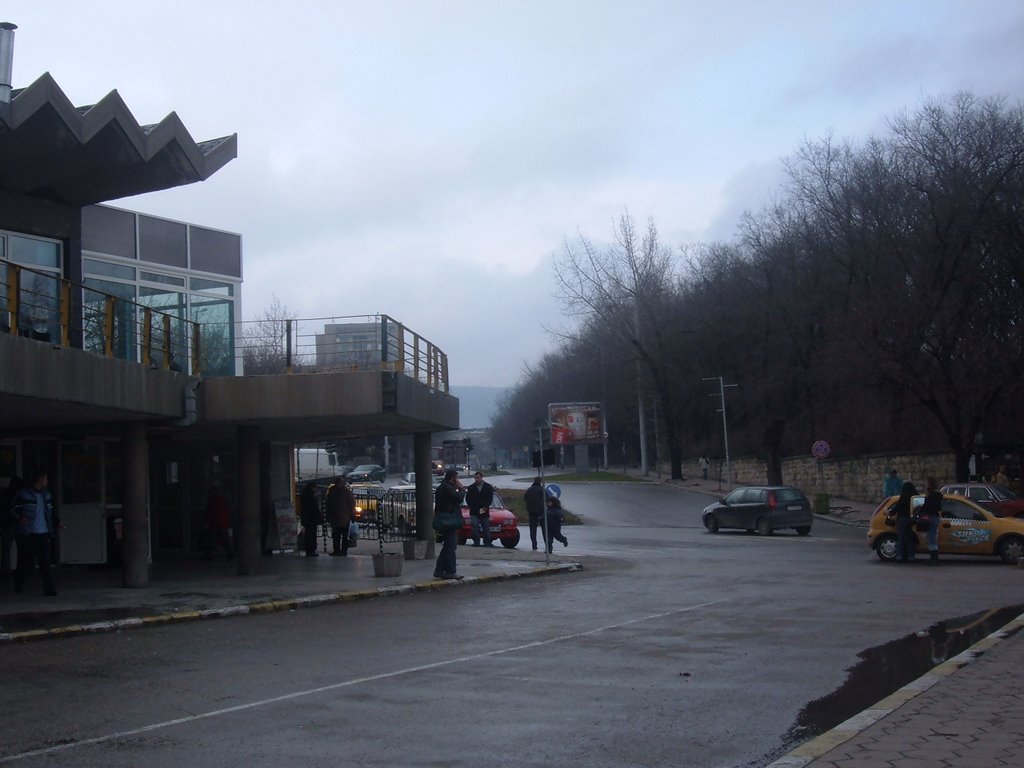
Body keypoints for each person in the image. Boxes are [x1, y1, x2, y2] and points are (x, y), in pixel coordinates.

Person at [12, 471, 59, 596]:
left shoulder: (47, 495)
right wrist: (19, 518)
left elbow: (51, 511)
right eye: (45, 479)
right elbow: (13, 508)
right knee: (24, 561)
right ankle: (19, 582)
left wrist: (57, 522)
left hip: (43, 533)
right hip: (28, 533)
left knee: (45, 562)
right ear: (40, 479)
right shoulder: (24, 494)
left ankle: (49, 588)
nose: (47, 481)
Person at [433, 469, 465, 580]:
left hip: (444, 519)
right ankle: (451, 571)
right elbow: (459, 498)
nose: (457, 480)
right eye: (456, 478)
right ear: (453, 478)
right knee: (451, 546)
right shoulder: (448, 488)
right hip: (449, 520)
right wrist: (461, 488)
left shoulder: (441, 487)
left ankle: (439, 570)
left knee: (447, 546)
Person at [325, 475, 356, 556]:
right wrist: (352, 515)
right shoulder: (345, 491)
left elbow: (328, 503)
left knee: (338, 536)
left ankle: (339, 551)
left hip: (339, 517)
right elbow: (352, 503)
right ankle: (341, 551)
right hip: (342, 517)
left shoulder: (333, 491)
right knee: (341, 536)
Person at [203, 485, 234, 560]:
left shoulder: (213, 500)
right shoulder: (222, 500)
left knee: (211, 539)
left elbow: (211, 512)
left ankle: (208, 555)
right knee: (225, 539)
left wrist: (208, 522)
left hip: (215, 523)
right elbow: (226, 511)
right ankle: (230, 553)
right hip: (222, 523)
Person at [465, 471, 495, 547]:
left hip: (484, 510)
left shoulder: (488, 487)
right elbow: (468, 498)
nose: (476, 479)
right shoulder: (471, 487)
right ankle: (476, 541)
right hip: (474, 510)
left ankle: (487, 542)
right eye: (475, 478)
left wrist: (486, 506)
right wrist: (471, 505)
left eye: (478, 478)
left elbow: (490, 498)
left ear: (481, 477)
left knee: (486, 526)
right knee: (474, 525)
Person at [917, 477, 943, 565]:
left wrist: (922, 508)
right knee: (931, 536)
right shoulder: (937, 495)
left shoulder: (931, 495)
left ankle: (934, 558)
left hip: (931, 517)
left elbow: (928, 506)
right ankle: (933, 557)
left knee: (931, 537)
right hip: (935, 516)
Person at [1, 475, 23, 574]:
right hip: (17, 523)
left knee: (6, 549)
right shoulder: (20, 494)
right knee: (21, 548)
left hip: (7, 523)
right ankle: (21, 569)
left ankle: (5, 569)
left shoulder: (5, 494)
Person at [892, 480, 918, 563]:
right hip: (911, 519)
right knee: (910, 538)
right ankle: (911, 556)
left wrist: (891, 512)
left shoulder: (903, 497)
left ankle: (899, 556)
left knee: (901, 538)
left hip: (902, 519)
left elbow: (897, 507)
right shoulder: (914, 497)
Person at [299, 480, 323, 557]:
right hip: (311, 519)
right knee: (311, 535)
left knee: (308, 535)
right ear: (312, 487)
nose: (316, 489)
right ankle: (311, 550)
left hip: (307, 519)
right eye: (315, 487)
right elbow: (314, 508)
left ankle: (309, 550)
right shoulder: (310, 496)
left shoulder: (305, 494)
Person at [524, 476, 546, 551]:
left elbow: (525, 498)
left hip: (531, 512)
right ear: (540, 481)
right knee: (544, 529)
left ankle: (534, 545)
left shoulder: (529, 490)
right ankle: (547, 545)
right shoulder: (542, 489)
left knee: (533, 530)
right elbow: (547, 498)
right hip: (541, 512)